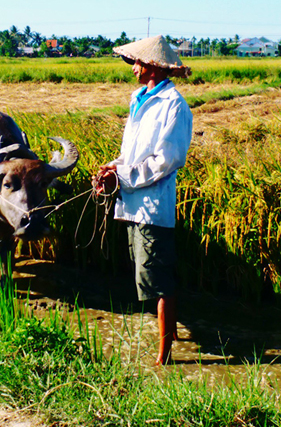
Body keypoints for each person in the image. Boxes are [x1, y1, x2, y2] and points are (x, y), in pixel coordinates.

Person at [93, 35, 193, 365]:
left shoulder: (174, 106)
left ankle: (163, 357)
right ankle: (173, 334)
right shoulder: (139, 99)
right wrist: (113, 167)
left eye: (137, 62)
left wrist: (122, 178)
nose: (133, 67)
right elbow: (132, 154)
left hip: (153, 206)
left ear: (151, 66)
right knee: (150, 273)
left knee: (158, 280)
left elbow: (166, 160)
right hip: (134, 203)